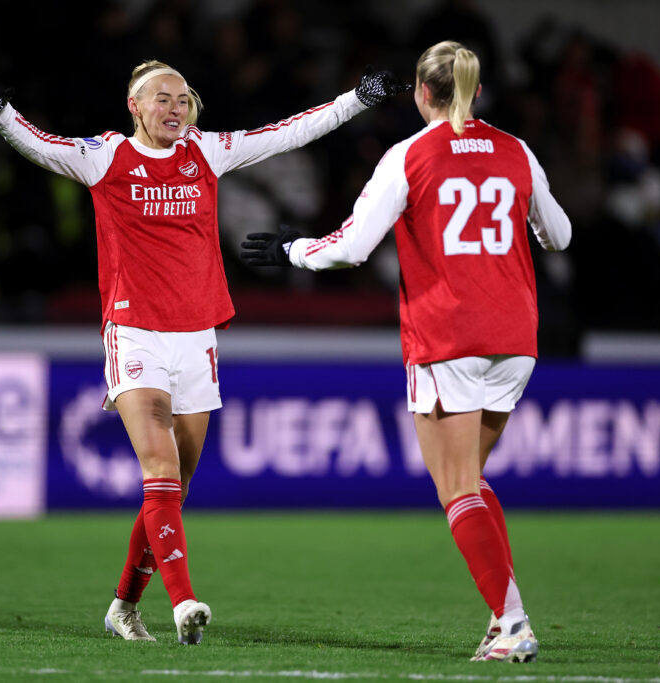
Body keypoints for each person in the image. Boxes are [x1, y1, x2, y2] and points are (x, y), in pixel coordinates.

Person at [0, 60, 410, 645]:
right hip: (134, 334)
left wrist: (359, 99)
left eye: (183, 99)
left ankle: (123, 607)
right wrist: (3, 116)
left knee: (174, 486)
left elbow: (287, 132)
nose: (175, 108)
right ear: (134, 106)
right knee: (159, 468)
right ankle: (183, 604)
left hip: (197, 336)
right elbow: (42, 146)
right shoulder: (105, 157)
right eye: (162, 98)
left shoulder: (206, 151)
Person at [241, 41, 571, 663]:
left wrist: (292, 250)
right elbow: (560, 235)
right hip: (516, 339)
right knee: (470, 480)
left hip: (448, 335)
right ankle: (507, 617)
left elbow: (351, 248)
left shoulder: (409, 156)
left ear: (423, 93)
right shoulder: (515, 150)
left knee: (455, 488)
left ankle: (511, 622)